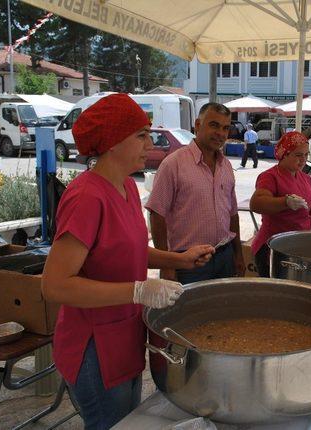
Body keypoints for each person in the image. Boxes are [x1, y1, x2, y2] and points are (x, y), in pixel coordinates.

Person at [41, 93, 214, 429]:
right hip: (94, 349)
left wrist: (178, 258)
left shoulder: (127, 188)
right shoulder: (87, 197)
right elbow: (55, 285)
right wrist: (138, 291)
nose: (150, 143)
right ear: (111, 142)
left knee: (127, 421)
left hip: (124, 336)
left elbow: (126, 249)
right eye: (141, 135)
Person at [147, 102, 245, 283]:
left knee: (222, 309)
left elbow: (232, 214)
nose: (221, 133)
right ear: (198, 125)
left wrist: (238, 254)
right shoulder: (173, 164)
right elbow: (156, 214)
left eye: (225, 128)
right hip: (188, 262)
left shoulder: (227, 166)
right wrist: (167, 265)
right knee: (189, 310)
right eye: (214, 125)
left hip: (224, 255)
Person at [250, 131, 311, 276]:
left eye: (306, 155)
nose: (303, 160)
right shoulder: (270, 177)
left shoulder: (305, 178)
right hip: (273, 248)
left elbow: (308, 206)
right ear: (284, 154)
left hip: (299, 246)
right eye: (298, 155)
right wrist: (285, 202)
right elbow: (256, 203)